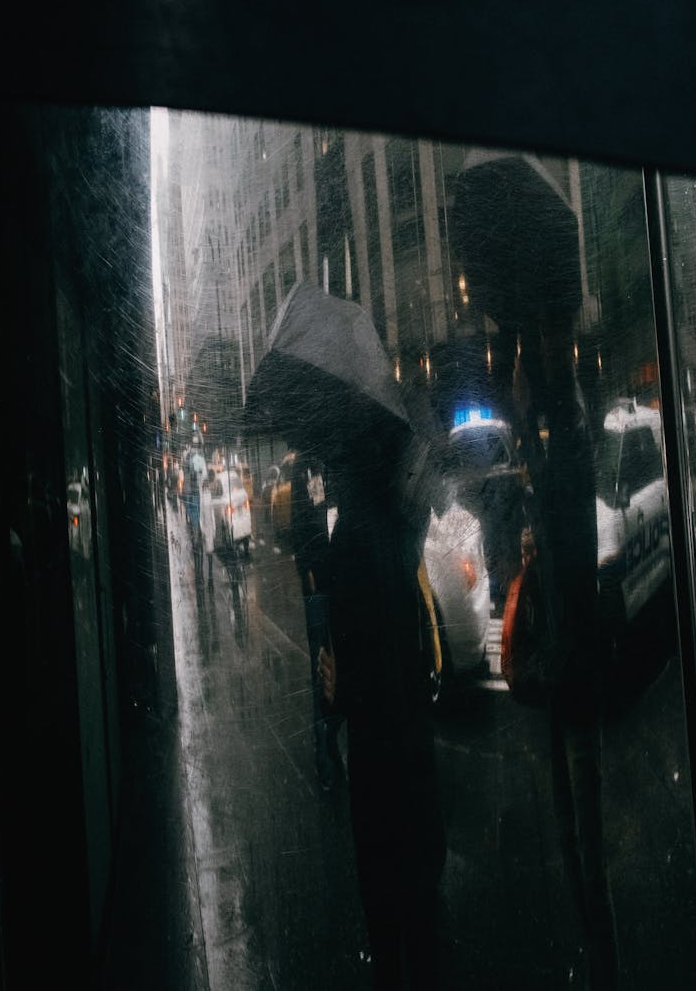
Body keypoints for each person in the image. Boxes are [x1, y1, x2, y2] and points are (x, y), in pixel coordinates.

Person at [318, 422, 446, 990]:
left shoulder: (348, 539)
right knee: (423, 914)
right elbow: (411, 647)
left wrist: (334, 686)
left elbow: (354, 674)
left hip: (376, 759)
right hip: (414, 752)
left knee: (386, 918)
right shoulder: (403, 528)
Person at [513, 322, 620, 991]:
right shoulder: (567, 443)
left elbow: (558, 509)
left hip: (573, 669)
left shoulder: (573, 439)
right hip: (561, 664)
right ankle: (595, 942)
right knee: (569, 824)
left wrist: (524, 426)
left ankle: (603, 953)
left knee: (585, 836)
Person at [289, 449, 343, 791]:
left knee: (340, 665)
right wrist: (308, 571)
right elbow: (300, 525)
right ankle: (325, 758)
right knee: (321, 668)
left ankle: (334, 749)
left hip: (342, 579)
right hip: (319, 585)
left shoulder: (334, 462)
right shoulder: (303, 466)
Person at [200, 467, 217, 588]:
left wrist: (214, 527)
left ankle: (210, 575)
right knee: (208, 550)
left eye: (207, 487)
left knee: (210, 550)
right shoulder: (202, 499)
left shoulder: (209, 497)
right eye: (205, 487)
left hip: (210, 525)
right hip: (206, 526)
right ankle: (209, 575)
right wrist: (202, 529)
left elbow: (212, 514)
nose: (206, 488)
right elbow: (201, 515)